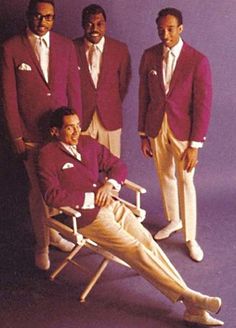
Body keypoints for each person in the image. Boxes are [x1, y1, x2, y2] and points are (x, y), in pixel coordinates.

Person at [37, 107, 223, 326]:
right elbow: (52, 195)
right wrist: (91, 197)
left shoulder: (88, 143)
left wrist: (109, 184)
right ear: (54, 131)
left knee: (149, 243)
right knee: (135, 249)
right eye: (70, 128)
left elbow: (118, 166)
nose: (77, 132)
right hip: (85, 217)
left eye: (78, 125)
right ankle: (190, 298)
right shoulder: (47, 155)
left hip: (112, 205)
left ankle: (191, 303)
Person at [1, 0, 82, 270]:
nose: (42, 22)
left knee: (57, 190)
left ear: (53, 19)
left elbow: (74, 90)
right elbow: (8, 98)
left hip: (60, 135)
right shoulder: (11, 48)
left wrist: (75, 130)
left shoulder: (66, 46)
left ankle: (54, 234)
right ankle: (42, 245)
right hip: (30, 136)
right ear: (28, 17)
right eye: (37, 16)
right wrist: (16, 138)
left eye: (48, 17)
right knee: (38, 192)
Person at [138, 7, 212, 262]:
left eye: (170, 29)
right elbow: (144, 96)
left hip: (184, 132)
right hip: (156, 128)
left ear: (180, 29)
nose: (165, 34)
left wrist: (195, 144)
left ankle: (190, 237)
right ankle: (174, 220)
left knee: (186, 181)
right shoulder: (149, 56)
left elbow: (203, 105)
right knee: (165, 176)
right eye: (161, 30)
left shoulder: (197, 60)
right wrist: (143, 134)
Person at [73, 4, 131, 157]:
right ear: (82, 25)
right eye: (89, 24)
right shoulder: (70, 48)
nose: (95, 28)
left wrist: (108, 101)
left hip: (110, 117)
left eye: (99, 24)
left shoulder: (120, 49)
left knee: (112, 167)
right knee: (83, 165)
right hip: (80, 118)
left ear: (105, 24)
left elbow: (123, 84)